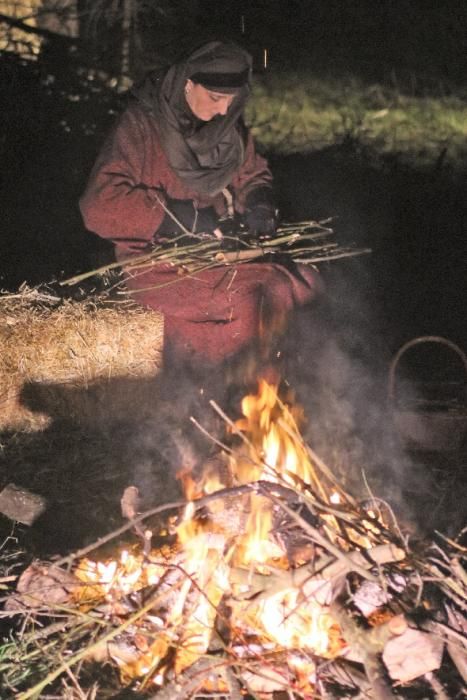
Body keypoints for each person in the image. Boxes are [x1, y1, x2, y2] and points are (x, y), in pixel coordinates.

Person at [80, 41, 321, 370]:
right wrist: (178, 219)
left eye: (231, 101)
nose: (223, 111)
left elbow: (252, 176)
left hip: (219, 249)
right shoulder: (141, 126)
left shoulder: (227, 128)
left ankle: (283, 401)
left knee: (306, 281)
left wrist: (259, 204)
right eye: (216, 98)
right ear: (188, 83)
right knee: (252, 299)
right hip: (159, 260)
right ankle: (223, 394)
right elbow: (98, 205)